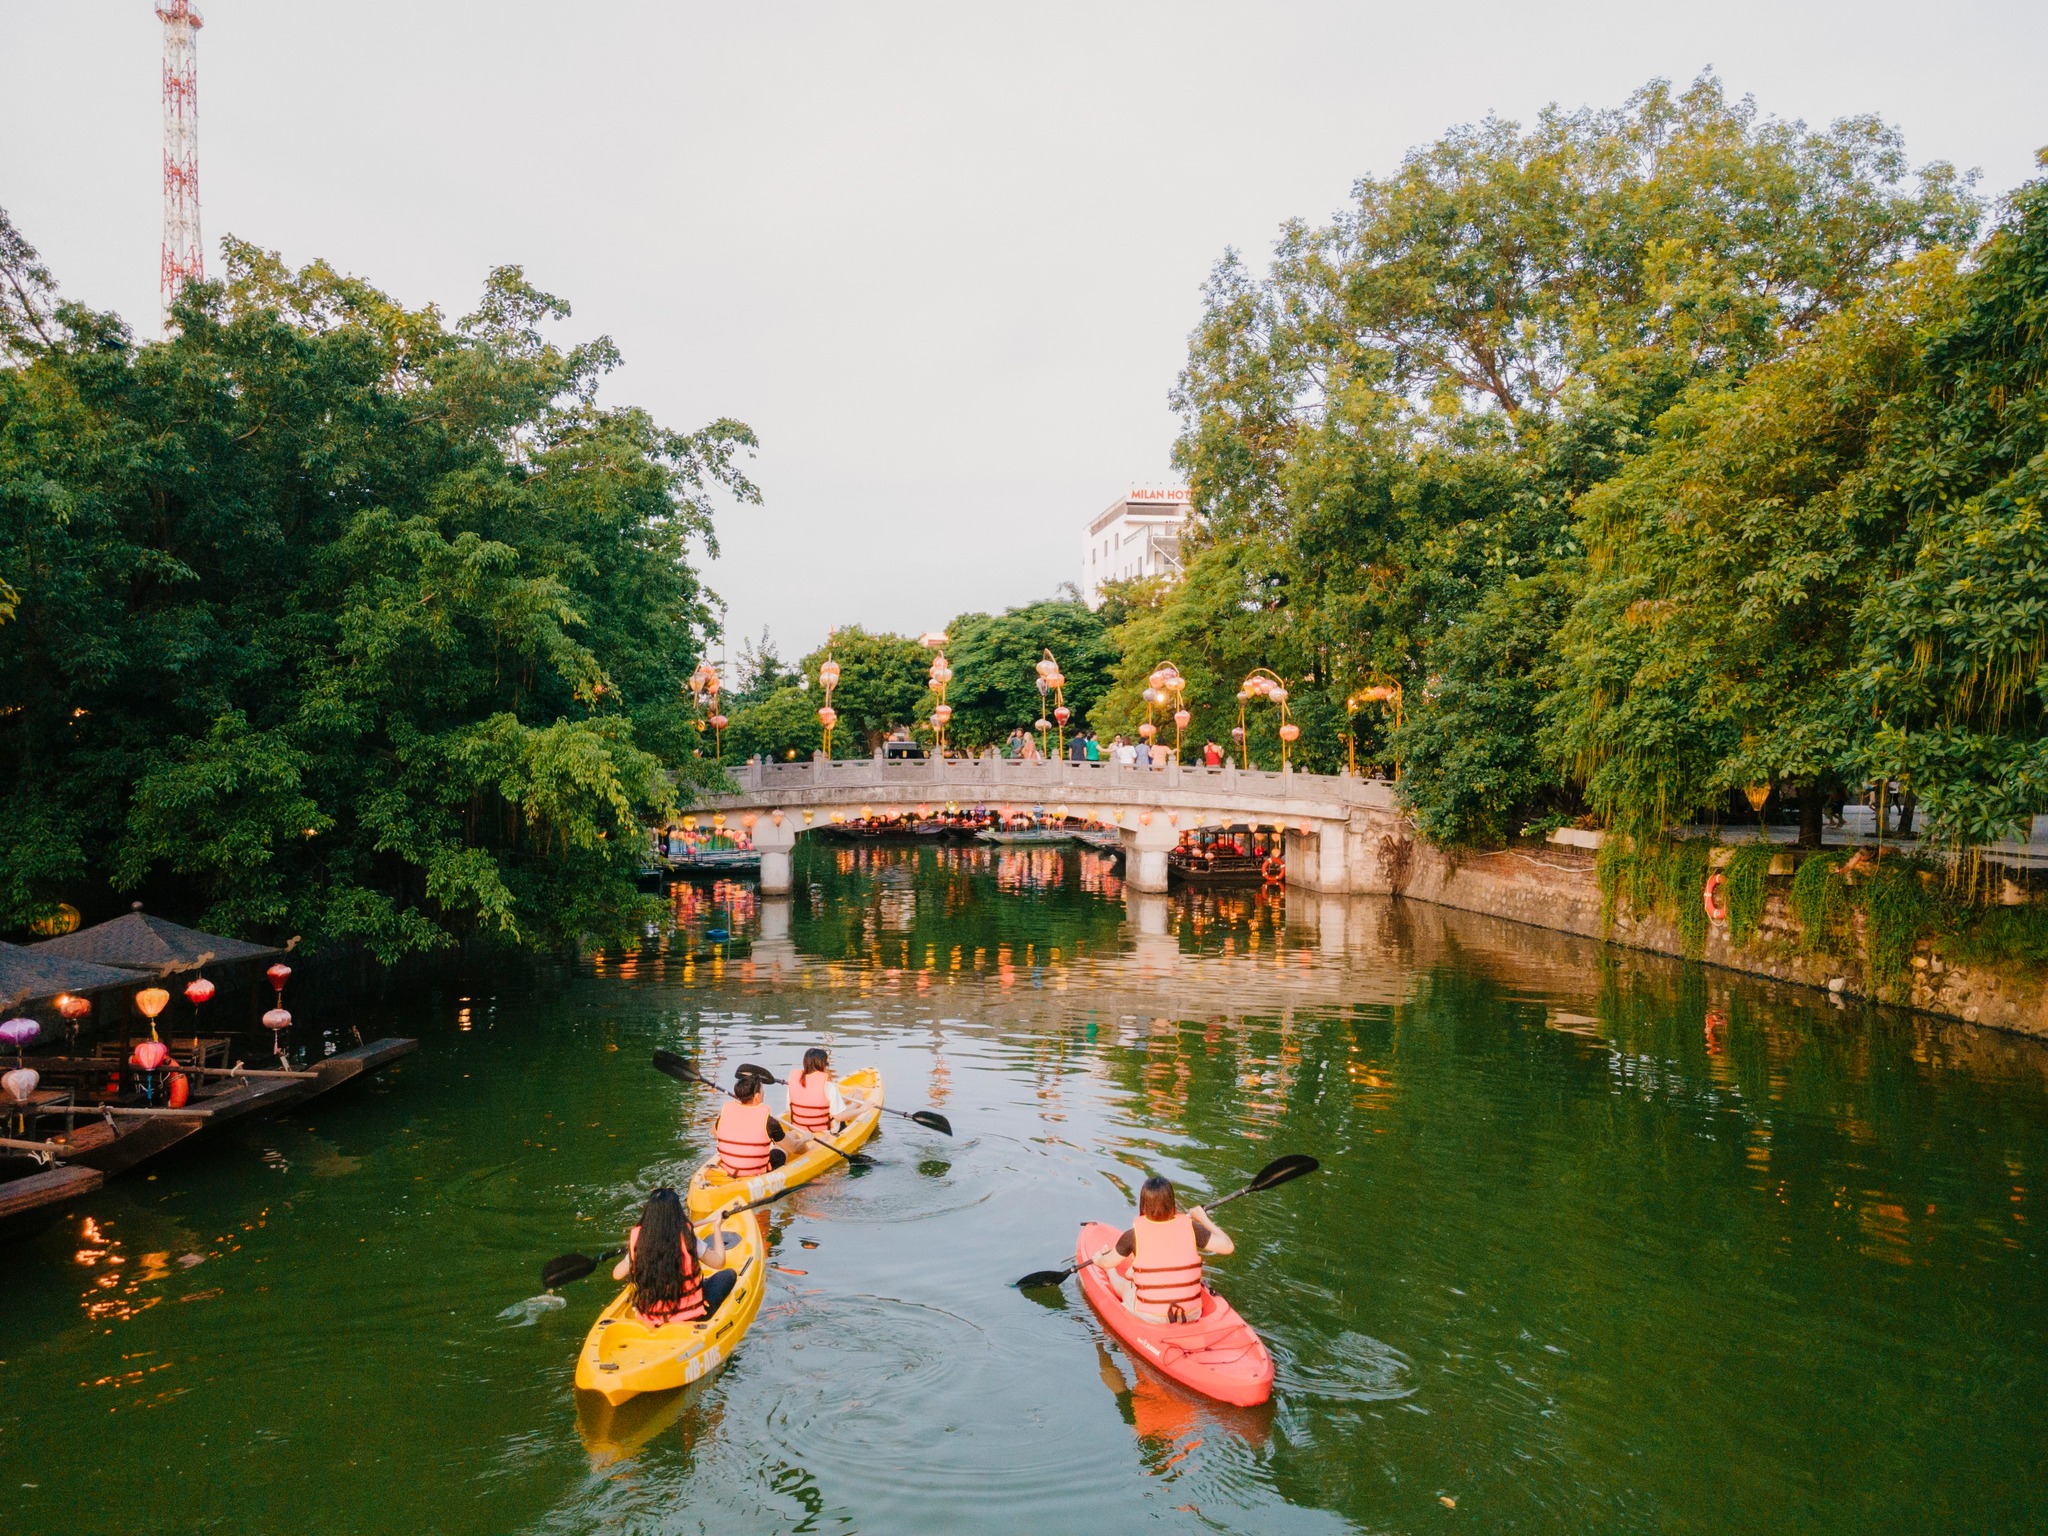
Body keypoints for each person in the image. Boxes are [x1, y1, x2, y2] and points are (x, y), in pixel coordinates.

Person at [1091, 1175, 1234, 1324]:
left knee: (1127, 1286)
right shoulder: (1192, 1228)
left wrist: (1098, 1259)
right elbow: (1228, 1246)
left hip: (1150, 1317)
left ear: (1144, 1205)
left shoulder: (1132, 1236)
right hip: (1192, 1314)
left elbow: (1107, 1262)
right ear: (1171, 1202)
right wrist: (1203, 1218)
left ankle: (1112, 1275)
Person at [611, 1186, 736, 1326]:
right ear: (677, 1212)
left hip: (651, 1317)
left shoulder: (640, 1241)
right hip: (690, 1317)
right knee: (728, 1275)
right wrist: (716, 1228)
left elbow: (617, 1274)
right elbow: (719, 1262)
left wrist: (632, 1256)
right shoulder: (687, 1238)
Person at [715, 1069, 790, 1175]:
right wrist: (805, 1138)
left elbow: (714, 1132)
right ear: (757, 1096)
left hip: (729, 1170)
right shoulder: (769, 1122)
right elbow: (793, 1146)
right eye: (762, 1090)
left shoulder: (724, 1115)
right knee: (779, 1153)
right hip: (756, 1172)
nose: (764, 1093)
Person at [784, 1047, 871, 1135]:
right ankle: (856, 1104)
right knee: (840, 1112)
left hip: (800, 1129)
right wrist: (863, 1109)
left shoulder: (793, 1082)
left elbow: (790, 1111)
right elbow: (839, 1117)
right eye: (827, 1063)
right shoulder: (828, 1087)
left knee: (832, 1108)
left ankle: (851, 1101)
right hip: (825, 1131)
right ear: (823, 1065)